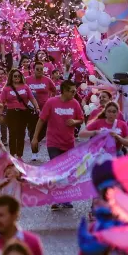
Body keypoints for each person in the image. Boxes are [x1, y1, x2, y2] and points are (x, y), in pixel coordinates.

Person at [31, 80, 83, 210]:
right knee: (56, 170)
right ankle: (55, 198)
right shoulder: (51, 102)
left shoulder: (75, 103)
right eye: (72, 91)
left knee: (67, 172)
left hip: (69, 143)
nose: (74, 93)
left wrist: (74, 121)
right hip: (53, 142)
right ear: (64, 91)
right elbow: (41, 119)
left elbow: (81, 119)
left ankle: (66, 199)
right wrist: (35, 137)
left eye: (75, 91)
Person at [1, 70, 39, 159]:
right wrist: (0, 113)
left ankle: (19, 155)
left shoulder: (25, 87)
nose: (17, 77)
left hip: (23, 113)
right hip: (11, 113)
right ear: (11, 77)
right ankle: (12, 154)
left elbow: (32, 98)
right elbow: (1, 101)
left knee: (21, 133)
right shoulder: (6, 88)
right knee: (12, 133)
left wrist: (37, 108)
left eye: (18, 76)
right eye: (15, 76)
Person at [26, 61, 56, 161]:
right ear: (33, 70)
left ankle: (37, 141)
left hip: (45, 109)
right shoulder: (27, 80)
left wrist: (51, 100)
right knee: (32, 130)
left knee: (44, 129)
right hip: (32, 109)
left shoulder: (47, 80)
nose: (39, 71)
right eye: (37, 69)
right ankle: (34, 153)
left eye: (41, 69)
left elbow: (54, 90)